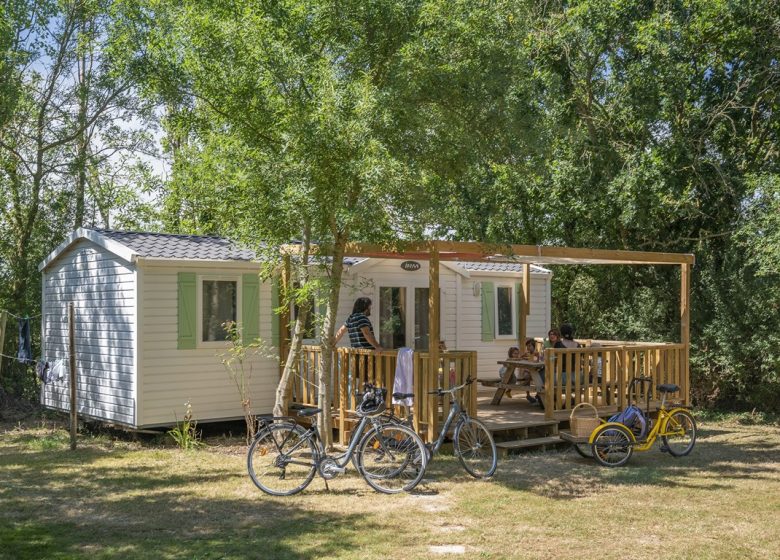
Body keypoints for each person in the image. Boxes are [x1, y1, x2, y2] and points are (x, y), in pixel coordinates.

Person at [520, 337, 542, 404]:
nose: (528, 348)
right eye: (527, 346)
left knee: (537, 378)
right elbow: (520, 358)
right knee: (527, 375)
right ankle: (528, 394)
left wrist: (538, 356)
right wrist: (522, 357)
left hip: (536, 371)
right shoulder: (527, 354)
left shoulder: (537, 353)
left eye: (530, 346)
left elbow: (539, 361)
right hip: (527, 370)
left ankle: (538, 394)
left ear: (534, 346)